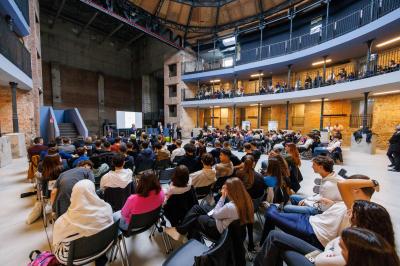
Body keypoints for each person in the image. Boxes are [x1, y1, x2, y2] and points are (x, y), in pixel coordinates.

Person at [254, 200, 395, 266]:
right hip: (324, 248)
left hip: (322, 258)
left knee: (281, 245)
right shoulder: (368, 237)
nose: (348, 212)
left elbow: (322, 260)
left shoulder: (359, 242)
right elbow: (333, 244)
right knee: (276, 237)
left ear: (363, 219)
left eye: (352, 212)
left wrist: (330, 250)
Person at [258, 175, 379, 249]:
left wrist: (373, 183)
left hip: (314, 232)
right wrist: (333, 204)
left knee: (270, 213)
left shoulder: (359, 208)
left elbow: (342, 184)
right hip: (312, 221)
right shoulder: (351, 204)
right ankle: (264, 240)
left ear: (356, 190)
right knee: (272, 216)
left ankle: (273, 206)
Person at [166, 178, 254, 242]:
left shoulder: (230, 207)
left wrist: (223, 197)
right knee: (196, 208)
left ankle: (192, 241)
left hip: (218, 228)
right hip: (226, 222)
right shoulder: (247, 199)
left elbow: (216, 214)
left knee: (196, 218)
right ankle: (181, 230)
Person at [52, 180, 113, 266]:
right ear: (93, 192)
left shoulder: (61, 222)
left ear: (73, 195)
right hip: (103, 248)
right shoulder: (107, 208)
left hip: (73, 258)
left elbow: (56, 243)